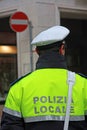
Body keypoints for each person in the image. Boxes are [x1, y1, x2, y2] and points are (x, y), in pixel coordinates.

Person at [0, 25, 87, 130]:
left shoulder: (19, 87)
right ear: (62, 49)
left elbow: (9, 126)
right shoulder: (83, 84)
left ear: (36, 51)